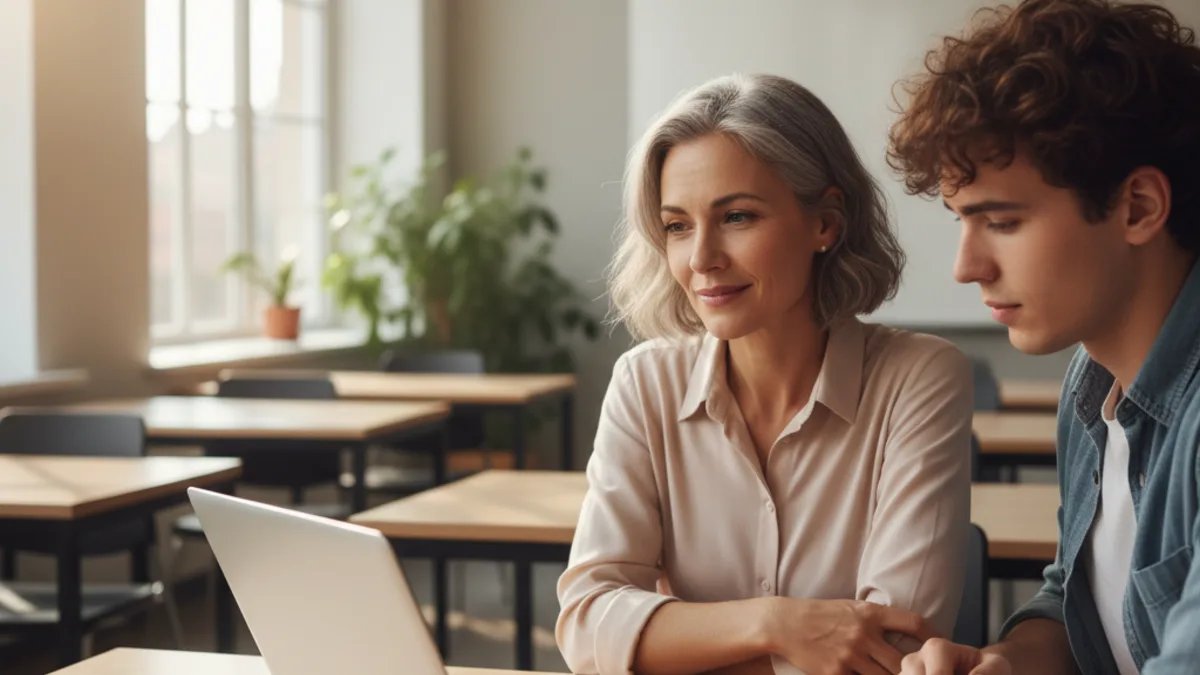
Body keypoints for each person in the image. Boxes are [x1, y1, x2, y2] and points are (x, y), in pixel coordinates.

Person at [555, 73, 975, 675]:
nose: (700, 258)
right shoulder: (643, 383)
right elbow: (589, 626)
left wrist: (673, 638)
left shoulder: (921, 379)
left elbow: (892, 650)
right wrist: (778, 622)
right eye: (677, 226)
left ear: (825, 223)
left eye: (738, 217)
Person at [887, 1, 1200, 673]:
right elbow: (1075, 598)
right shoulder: (1090, 386)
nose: (966, 266)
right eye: (961, 223)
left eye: (1000, 221)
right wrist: (1000, 662)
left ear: (1138, 206)